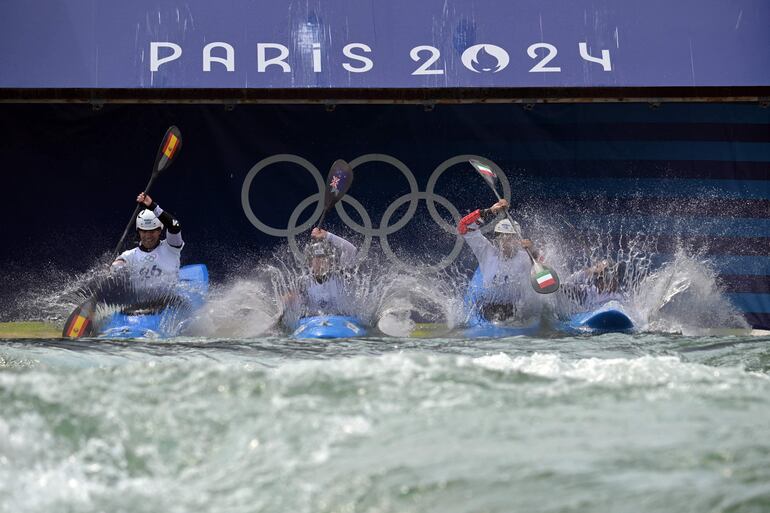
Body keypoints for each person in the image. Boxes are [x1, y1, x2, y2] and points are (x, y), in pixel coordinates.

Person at [457, 198, 542, 322]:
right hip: (489, 310)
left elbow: (545, 271)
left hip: (517, 311)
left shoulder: (526, 256)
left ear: (518, 239)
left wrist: (533, 251)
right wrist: (489, 211)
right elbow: (463, 227)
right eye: (500, 236)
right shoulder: (487, 253)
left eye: (510, 237)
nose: (504, 240)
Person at [111, 192, 184, 292]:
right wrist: (113, 269)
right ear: (138, 231)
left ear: (159, 230)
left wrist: (152, 206)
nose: (148, 236)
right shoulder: (130, 255)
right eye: (144, 231)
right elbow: (119, 264)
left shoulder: (171, 247)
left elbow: (175, 226)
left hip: (169, 302)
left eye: (152, 231)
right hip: (142, 305)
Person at [283, 227, 358, 319]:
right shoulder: (303, 282)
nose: (320, 262)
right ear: (310, 262)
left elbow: (351, 250)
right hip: (314, 325)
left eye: (323, 258)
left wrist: (328, 236)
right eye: (316, 258)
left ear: (331, 261)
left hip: (342, 322)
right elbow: (293, 303)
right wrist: (288, 301)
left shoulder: (341, 275)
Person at [562, 258, 628, 309]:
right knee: (565, 288)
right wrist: (594, 270)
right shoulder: (590, 290)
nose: (602, 281)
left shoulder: (617, 296)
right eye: (600, 278)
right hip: (587, 299)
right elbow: (568, 283)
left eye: (606, 279)